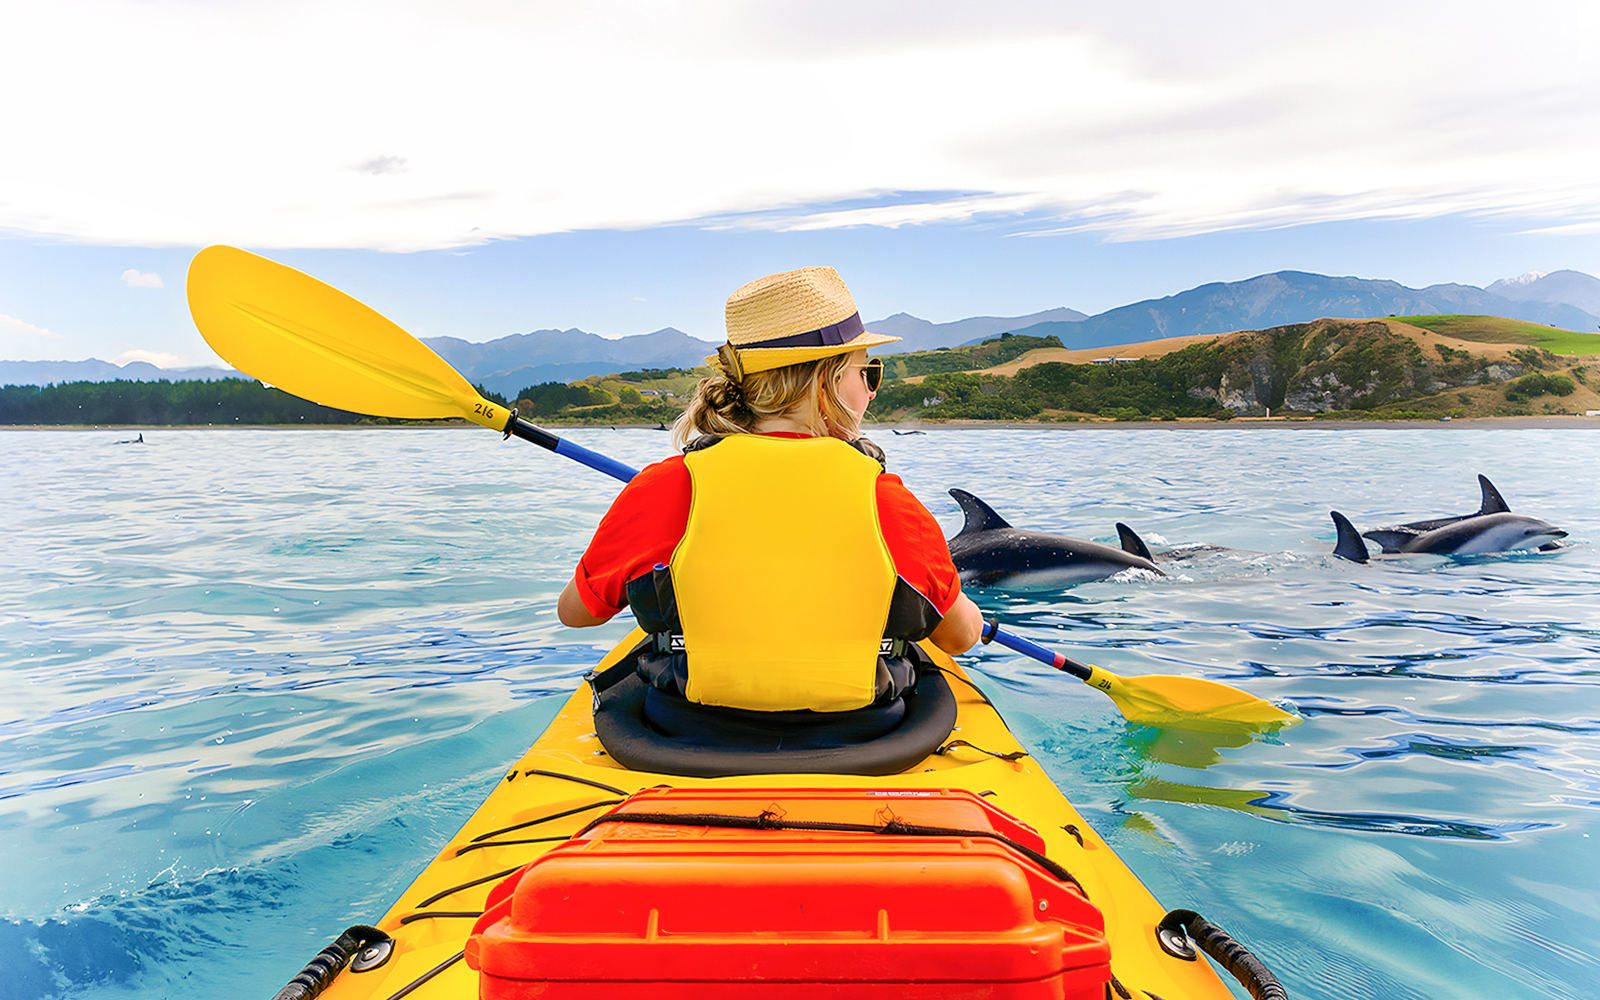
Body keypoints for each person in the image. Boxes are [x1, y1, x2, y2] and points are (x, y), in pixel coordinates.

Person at [558, 266, 983, 715]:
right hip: (861, 734)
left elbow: (576, 612)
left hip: (688, 729)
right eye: (869, 372)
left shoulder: (662, 487)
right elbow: (961, 636)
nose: (872, 392)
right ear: (828, 382)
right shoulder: (888, 502)